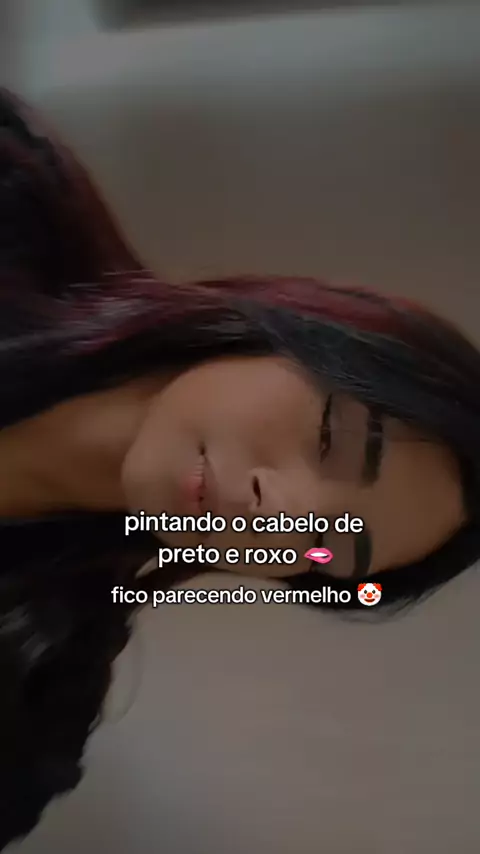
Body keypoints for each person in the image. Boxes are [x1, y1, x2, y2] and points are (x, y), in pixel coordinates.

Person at [0, 87, 478, 849]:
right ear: (290, 329)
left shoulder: (35, 694)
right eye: (335, 441)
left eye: (324, 547)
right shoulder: (20, 197)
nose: (279, 514)